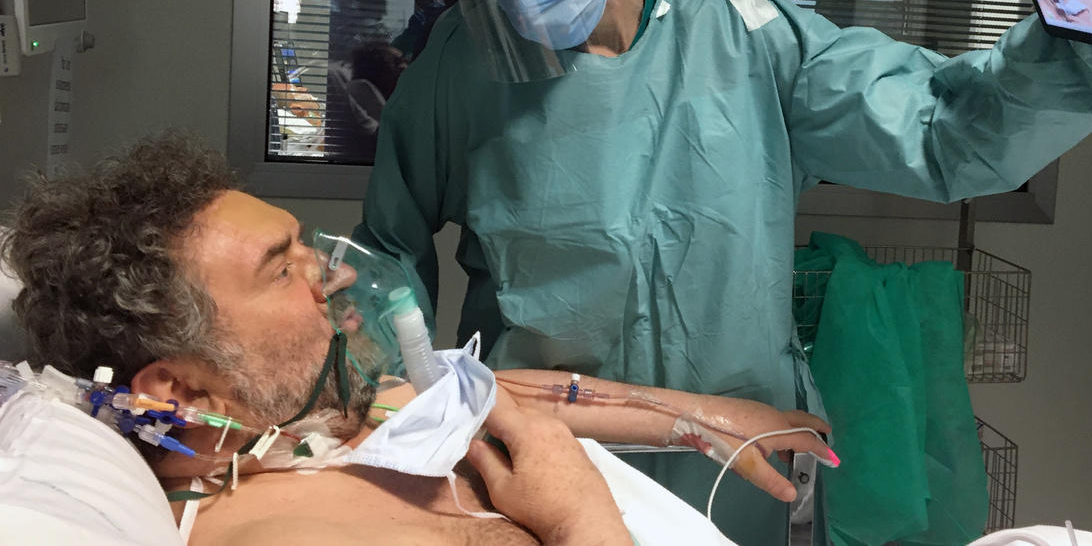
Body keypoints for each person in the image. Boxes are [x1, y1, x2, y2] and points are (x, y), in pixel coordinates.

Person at [353, 0, 1092, 544]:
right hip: (548, 460)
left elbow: (947, 130)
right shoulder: (458, 66)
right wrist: (386, 394)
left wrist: (1083, 30)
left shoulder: (747, 39)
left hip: (734, 462)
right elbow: (387, 253)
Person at [2, 133, 833, 546]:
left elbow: (491, 394)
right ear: (180, 393)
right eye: (281, 270)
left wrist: (702, 418)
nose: (332, 275)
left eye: (305, 246)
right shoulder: (278, 534)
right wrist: (580, 515)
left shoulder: (310, 425)